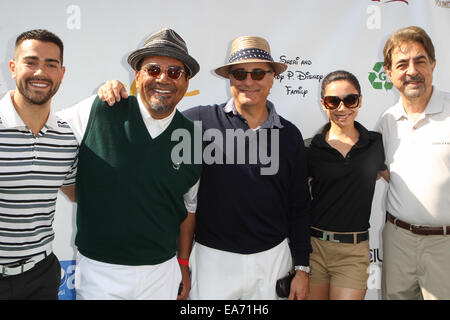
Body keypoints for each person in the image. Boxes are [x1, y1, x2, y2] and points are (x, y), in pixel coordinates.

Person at [99, 35, 312, 300]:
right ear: (230, 78)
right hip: (212, 261)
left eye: (258, 73)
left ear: (272, 78)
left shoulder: (290, 135)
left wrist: (302, 268)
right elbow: (153, 118)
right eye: (239, 73)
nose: (248, 81)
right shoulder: (198, 122)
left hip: (273, 260)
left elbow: (300, 206)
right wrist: (117, 96)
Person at [57, 28, 202, 300]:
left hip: (162, 272)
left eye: (174, 72)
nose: (163, 79)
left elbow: (188, 208)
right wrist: (75, 187)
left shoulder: (192, 138)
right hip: (101, 271)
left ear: (186, 81)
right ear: (137, 75)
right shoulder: (100, 108)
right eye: (153, 69)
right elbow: (46, 132)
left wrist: (183, 263)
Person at [0, 29, 77, 299]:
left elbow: (78, 193)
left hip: (41, 277)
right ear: (13, 67)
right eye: (30, 62)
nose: (40, 72)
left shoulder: (66, 136)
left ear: (61, 73)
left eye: (50, 64)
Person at [378, 26, 450, 300]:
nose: (412, 71)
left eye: (420, 61)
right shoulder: (386, 121)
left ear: (433, 64)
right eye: (402, 63)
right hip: (399, 242)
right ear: (389, 73)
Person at [305, 70, 388, 300]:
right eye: (333, 101)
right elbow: (294, 199)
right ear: (324, 104)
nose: (342, 108)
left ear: (360, 100)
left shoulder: (376, 144)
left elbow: (399, 179)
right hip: (314, 249)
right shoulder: (310, 149)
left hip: (354, 251)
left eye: (350, 99)